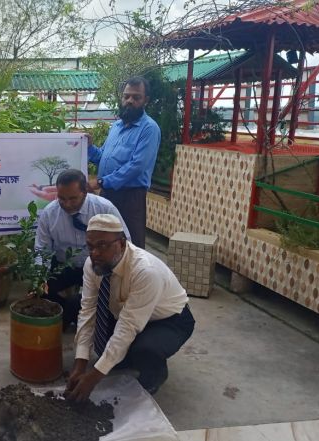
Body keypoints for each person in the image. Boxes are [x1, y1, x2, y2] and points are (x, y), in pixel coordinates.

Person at [65, 214, 194, 400]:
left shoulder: (146, 271)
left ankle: (155, 374)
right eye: (90, 246)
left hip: (168, 320)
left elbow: (128, 326)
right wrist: (80, 364)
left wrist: (93, 378)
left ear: (121, 244)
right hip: (123, 312)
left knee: (145, 350)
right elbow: (88, 311)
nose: (95, 253)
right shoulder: (92, 264)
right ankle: (130, 354)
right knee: (113, 358)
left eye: (102, 245)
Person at [34, 169, 131, 329]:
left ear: (85, 192)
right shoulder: (50, 213)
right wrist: (40, 278)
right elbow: (41, 249)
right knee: (42, 293)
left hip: (98, 267)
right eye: (62, 198)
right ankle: (70, 315)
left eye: (73, 198)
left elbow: (125, 243)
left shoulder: (104, 208)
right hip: (64, 265)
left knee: (89, 302)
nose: (67, 204)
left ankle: (74, 314)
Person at [88, 76, 161, 249]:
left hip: (130, 197)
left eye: (136, 97)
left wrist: (101, 182)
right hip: (107, 194)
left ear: (146, 100)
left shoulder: (149, 128)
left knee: (130, 245)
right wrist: (89, 147)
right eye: (126, 96)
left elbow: (137, 166)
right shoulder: (116, 126)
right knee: (104, 242)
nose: (130, 101)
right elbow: (102, 157)